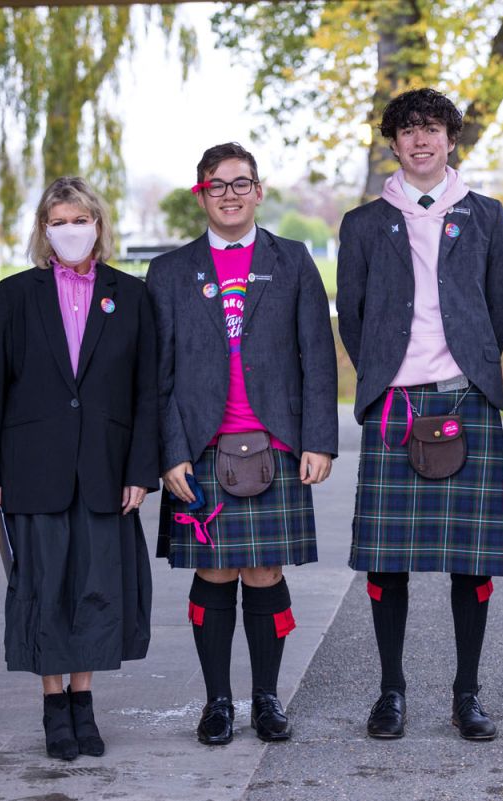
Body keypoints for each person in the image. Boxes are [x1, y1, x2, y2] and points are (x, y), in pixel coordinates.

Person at [336, 88, 503, 741]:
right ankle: (391, 690)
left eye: (433, 129)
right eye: (409, 131)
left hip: (464, 398)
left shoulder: (487, 217)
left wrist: (465, 364)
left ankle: (467, 693)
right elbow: (353, 318)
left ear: (451, 139)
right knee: (388, 561)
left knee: (471, 560)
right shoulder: (363, 224)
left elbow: (499, 311)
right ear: (394, 142)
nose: (421, 141)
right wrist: (394, 373)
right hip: (395, 404)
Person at [147, 142, 337, 746]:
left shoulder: (293, 261)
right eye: (217, 184)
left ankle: (267, 699)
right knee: (215, 570)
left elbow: (318, 358)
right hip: (203, 447)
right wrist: (170, 451)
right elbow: (159, 375)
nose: (229, 193)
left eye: (240, 183)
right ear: (201, 193)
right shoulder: (171, 271)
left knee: (264, 570)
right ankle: (217, 704)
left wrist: (319, 441)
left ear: (258, 191)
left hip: (274, 444)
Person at [0, 177, 158, 760]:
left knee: (97, 589)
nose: (71, 229)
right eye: (59, 220)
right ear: (44, 230)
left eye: (80, 219)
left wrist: (140, 470)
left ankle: (85, 701)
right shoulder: (16, 294)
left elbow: (145, 391)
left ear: (99, 225)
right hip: (33, 468)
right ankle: (54, 706)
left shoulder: (130, 295)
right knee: (43, 587)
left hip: (106, 468)